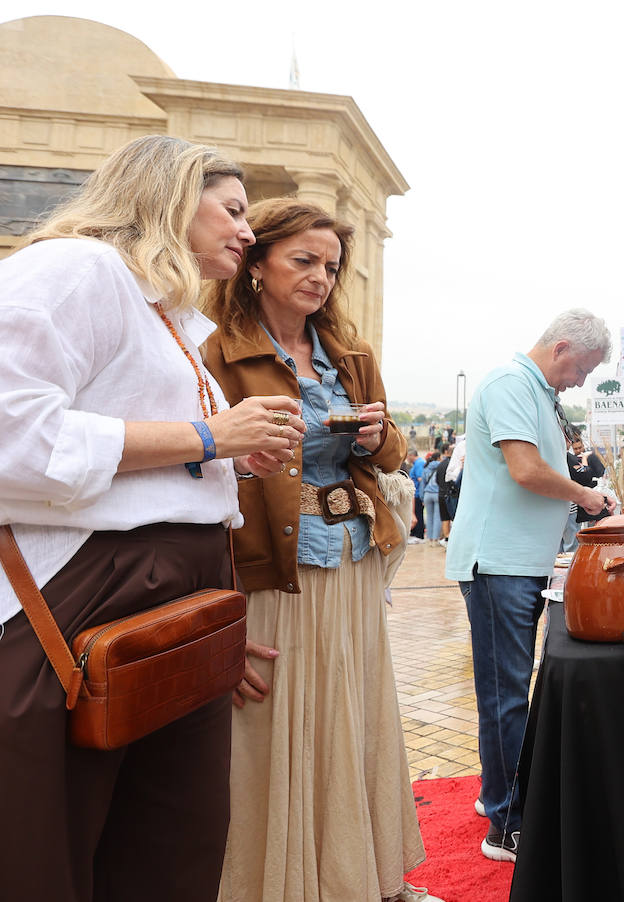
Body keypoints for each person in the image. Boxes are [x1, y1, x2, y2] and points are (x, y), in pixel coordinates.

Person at [0, 135, 304, 902]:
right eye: (233, 209)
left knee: (168, 844)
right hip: (84, 595)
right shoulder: (77, 267)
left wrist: (231, 457)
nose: (247, 230)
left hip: (161, 598)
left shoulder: (166, 315)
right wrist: (208, 436)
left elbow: (139, 454)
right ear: (166, 196)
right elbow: (11, 437)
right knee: (55, 845)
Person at [201, 198, 435, 902]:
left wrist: (376, 436)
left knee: (351, 716)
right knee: (274, 727)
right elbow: (203, 473)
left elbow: (394, 451)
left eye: (331, 266)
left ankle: (357, 879)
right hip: (272, 570)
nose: (320, 278)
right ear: (255, 264)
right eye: (303, 261)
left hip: (354, 560)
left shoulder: (351, 356)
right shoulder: (215, 353)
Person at [445, 309, 616, 862]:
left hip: (519, 562)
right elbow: (524, 469)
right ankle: (506, 825)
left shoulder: (537, 391)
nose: (581, 382)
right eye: (583, 370)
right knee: (506, 696)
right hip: (499, 562)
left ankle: (497, 796)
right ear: (562, 347)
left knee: (505, 691)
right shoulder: (511, 384)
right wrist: (584, 497)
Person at [422, 443, 447, 544]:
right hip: (437, 494)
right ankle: (435, 539)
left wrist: (422, 496)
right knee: (437, 516)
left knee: (429, 516)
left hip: (427, 494)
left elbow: (422, 484)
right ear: (438, 458)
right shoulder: (442, 466)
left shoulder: (426, 468)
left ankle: (429, 538)